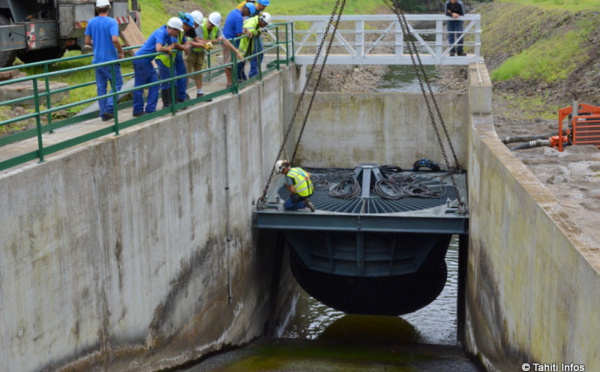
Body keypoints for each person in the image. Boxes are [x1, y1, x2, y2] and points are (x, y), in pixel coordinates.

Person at [186, 12, 244, 99]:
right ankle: (184, 94)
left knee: (199, 72)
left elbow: (225, 40)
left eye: (212, 24)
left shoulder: (216, 28)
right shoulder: (200, 25)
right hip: (190, 51)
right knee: (187, 73)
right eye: (209, 22)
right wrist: (215, 41)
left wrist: (236, 52)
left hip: (201, 52)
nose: (209, 25)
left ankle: (199, 92)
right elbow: (200, 40)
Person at [132, 18, 182, 117]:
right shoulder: (161, 33)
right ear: (173, 29)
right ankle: (137, 110)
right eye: (178, 31)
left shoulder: (167, 34)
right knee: (139, 85)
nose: (178, 34)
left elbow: (174, 44)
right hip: (141, 60)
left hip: (147, 61)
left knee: (155, 83)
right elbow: (158, 48)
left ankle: (150, 109)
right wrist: (167, 49)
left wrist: (179, 47)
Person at [84, 0, 124, 121]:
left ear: (96, 9)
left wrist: (96, 45)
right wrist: (121, 51)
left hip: (97, 60)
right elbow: (115, 39)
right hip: (110, 60)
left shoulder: (91, 22)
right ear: (109, 8)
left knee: (101, 88)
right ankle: (109, 108)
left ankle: (103, 114)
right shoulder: (112, 22)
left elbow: (86, 42)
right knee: (117, 84)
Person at [155, 13, 197, 108]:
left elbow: (184, 40)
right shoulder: (172, 31)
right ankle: (169, 104)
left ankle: (179, 99)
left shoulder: (180, 31)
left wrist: (186, 44)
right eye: (189, 26)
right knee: (169, 81)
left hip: (173, 56)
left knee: (180, 76)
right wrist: (184, 47)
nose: (190, 29)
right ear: (184, 24)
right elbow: (175, 44)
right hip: (166, 58)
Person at [222, 3, 255, 87]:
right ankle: (230, 84)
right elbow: (238, 33)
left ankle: (232, 82)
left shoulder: (233, 12)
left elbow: (236, 28)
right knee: (229, 63)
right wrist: (245, 32)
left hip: (227, 40)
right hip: (229, 41)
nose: (246, 15)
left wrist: (245, 30)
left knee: (231, 62)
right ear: (246, 10)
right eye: (248, 13)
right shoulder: (239, 17)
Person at [238, 13, 272, 81]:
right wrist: (257, 33)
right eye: (265, 24)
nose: (265, 26)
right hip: (243, 44)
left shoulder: (256, 22)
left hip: (248, 44)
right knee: (240, 61)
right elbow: (250, 31)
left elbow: (255, 31)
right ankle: (240, 78)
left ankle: (249, 75)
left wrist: (258, 32)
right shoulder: (252, 22)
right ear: (261, 20)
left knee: (255, 56)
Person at [249, 0, 270, 78]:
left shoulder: (260, 12)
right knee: (255, 53)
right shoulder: (253, 11)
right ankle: (253, 73)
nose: (264, 8)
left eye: (265, 6)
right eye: (263, 6)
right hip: (252, 34)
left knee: (260, 52)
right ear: (259, 4)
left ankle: (255, 71)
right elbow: (249, 23)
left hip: (257, 34)